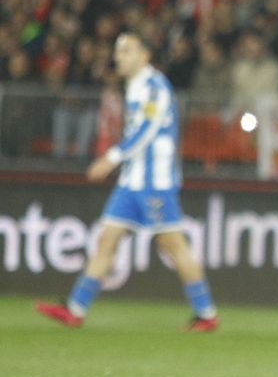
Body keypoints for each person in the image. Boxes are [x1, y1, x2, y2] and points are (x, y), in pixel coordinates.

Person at [35, 31, 219, 331]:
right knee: (107, 240)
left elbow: (147, 128)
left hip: (155, 181)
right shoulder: (133, 86)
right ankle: (75, 309)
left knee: (172, 244)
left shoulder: (155, 86)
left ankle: (207, 313)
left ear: (145, 56)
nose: (119, 57)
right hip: (131, 181)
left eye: (127, 51)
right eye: (118, 51)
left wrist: (112, 157)